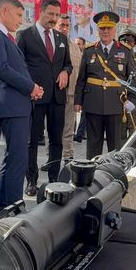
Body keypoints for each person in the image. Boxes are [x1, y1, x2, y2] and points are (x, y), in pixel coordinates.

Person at [0, 0, 42, 216]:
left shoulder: (5, 37)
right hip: (10, 105)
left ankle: (2, 208)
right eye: (18, 15)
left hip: (17, 104)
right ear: (4, 11)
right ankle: (13, 207)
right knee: (17, 157)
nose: (20, 21)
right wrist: (30, 87)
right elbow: (1, 68)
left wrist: (32, 88)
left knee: (15, 157)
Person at [16, 0, 72, 196]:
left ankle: (54, 179)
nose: (54, 18)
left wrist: (66, 71)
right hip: (35, 97)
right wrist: (30, 86)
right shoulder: (24, 36)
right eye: (50, 14)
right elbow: (18, 65)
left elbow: (68, 64)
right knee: (31, 141)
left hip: (57, 97)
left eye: (57, 15)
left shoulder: (61, 38)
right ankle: (31, 180)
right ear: (40, 12)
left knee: (56, 140)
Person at [74, 11, 136, 159]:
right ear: (98, 30)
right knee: (93, 145)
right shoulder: (89, 51)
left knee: (115, 147)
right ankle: (92, 175)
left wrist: (131, 101)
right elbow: (81, 78)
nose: (105, 31)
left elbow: (132, 79)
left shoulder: (125, 51)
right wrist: (78, 101)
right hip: (93, 103)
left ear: (115, 29)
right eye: (102, 28)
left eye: (109, 28)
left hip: (115, 104)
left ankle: (113, 175)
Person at [59, 14, 83, 161]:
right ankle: (52, 157)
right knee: (53, 128)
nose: (64, 28)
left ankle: (68, 155)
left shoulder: (75, 47)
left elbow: (80, 73)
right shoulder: (51, 44)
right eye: (61, 25)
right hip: (54, 94)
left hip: (70, 94)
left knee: (68, 128)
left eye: (67, 25)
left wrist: (79, 98)